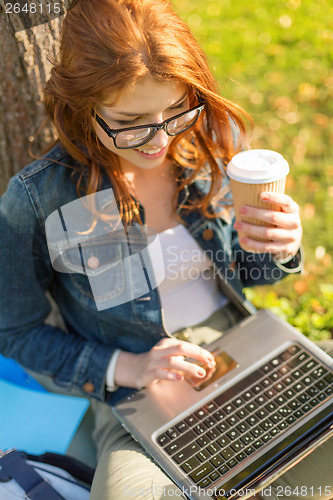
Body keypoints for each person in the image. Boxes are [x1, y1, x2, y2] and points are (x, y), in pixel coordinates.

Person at [0, 0, 331, 499]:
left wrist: (280, 246)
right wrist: (127, 367)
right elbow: (15, 330)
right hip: (139, 394)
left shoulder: (213, 142)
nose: (159, 140)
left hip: (249, 349)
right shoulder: (37, 199)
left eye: (176, 110)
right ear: (83, 103)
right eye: (131, 121)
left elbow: (253, 274)